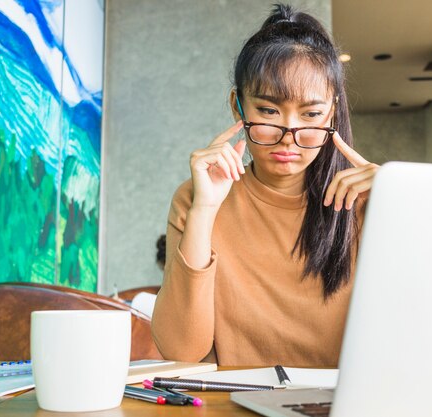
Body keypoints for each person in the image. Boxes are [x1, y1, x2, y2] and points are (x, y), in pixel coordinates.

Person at [151, 4, 378, 367]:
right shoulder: (198, 197)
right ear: (238, 107)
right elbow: (181, 350)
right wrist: (205, 210)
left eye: (310, 114)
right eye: (269, 111)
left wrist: (401, 206)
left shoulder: (369, 204)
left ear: (332, 112)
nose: (289, 136)